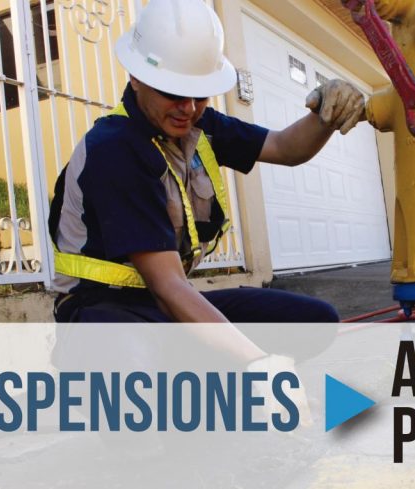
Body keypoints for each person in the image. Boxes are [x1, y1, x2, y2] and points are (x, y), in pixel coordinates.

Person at [48, 0, 365, 375]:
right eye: (174, 92)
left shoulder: (199, 125)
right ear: (136, 78)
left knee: (313, 320)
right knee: (129, 373)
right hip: (102, 312)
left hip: (162, 304)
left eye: (199, 94)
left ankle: (200, 384)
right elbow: (167, 284)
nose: (188, 107)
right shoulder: (114, 149)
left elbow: (284, 147)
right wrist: (255, 360)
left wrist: (326, 115)